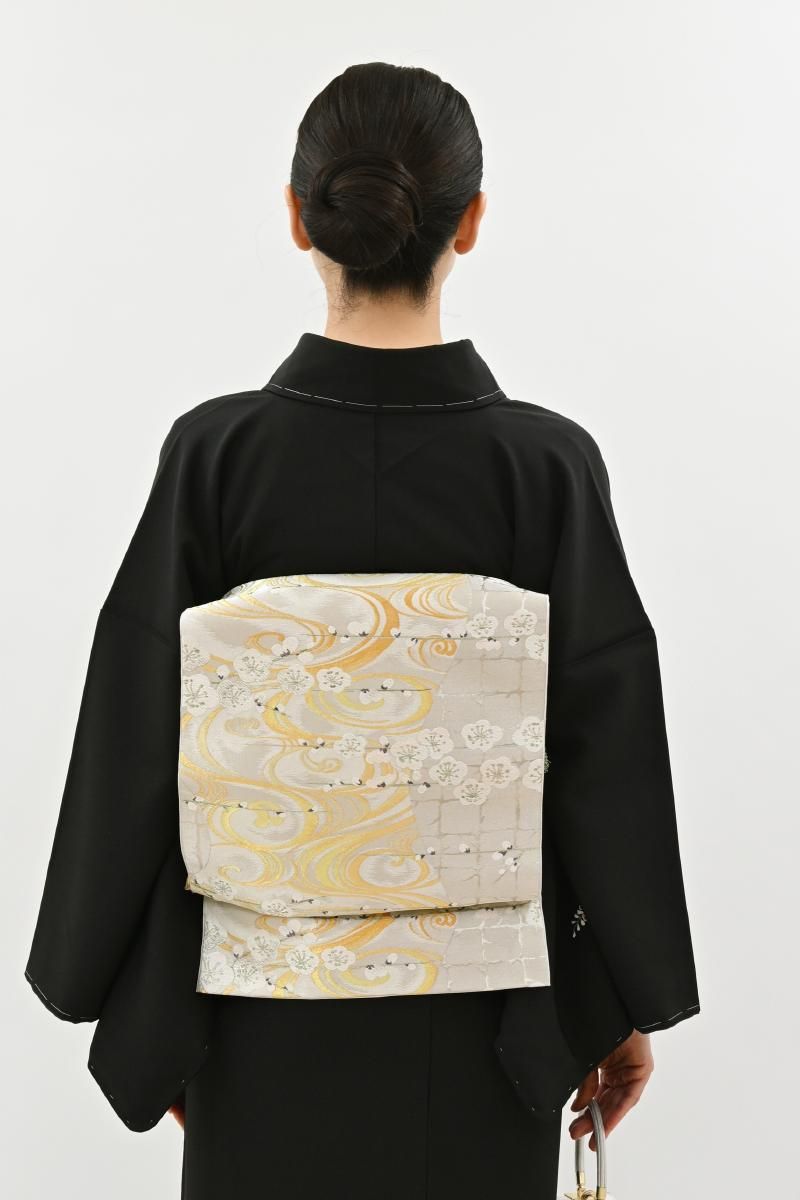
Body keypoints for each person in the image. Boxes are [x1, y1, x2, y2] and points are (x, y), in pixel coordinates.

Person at [24, 62, 700, 1199]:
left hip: (257, 1011)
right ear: (469, 223)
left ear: (300, 219)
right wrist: (617, 997)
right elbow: (605, 757)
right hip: (489, 1022)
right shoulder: (545, 466)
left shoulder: (216, 457)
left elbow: (132, 737)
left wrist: (144, 1005)